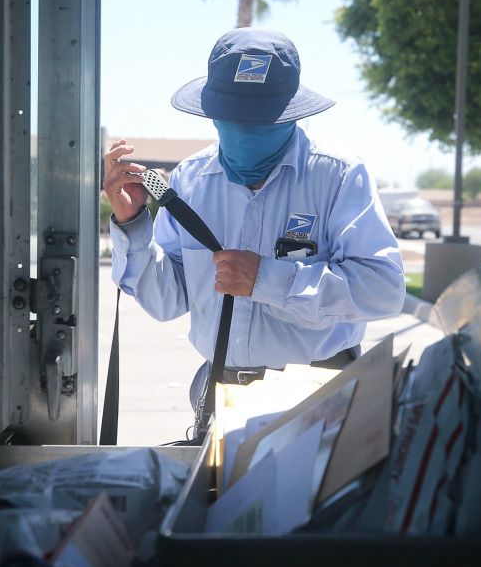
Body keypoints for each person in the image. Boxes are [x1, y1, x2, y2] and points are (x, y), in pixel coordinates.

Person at [101, 28, 405, 411]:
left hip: (318, 400)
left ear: (290, 114)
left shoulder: (338, 177)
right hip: (218, 398)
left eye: (260, 118)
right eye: (232, 117)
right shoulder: (189, 181)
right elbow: (166, 301)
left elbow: (384, 290)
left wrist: (267, 280)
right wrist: (132, 225)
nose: (244, 127)